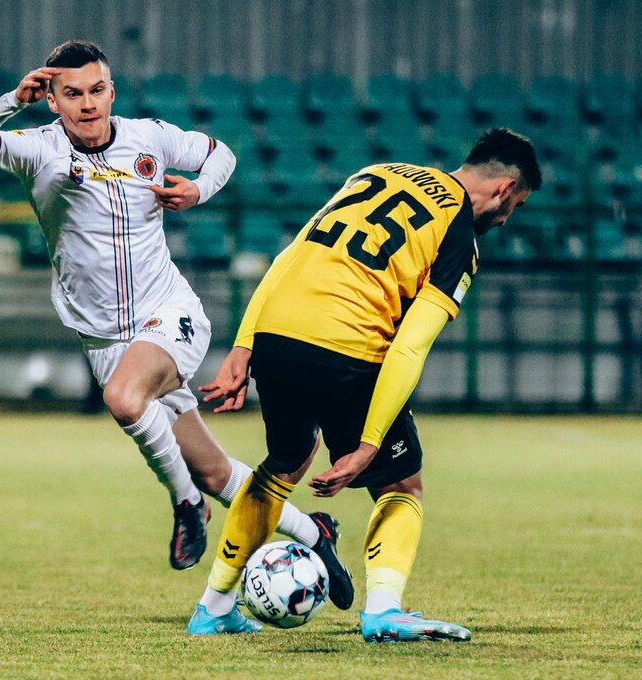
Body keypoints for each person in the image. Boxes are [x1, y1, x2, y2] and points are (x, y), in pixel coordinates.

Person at [0, 40, 353, 608]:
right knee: (215, 471)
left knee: (122, 398)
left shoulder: (150, 138)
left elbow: (220, 154)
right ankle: (314, 533)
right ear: (52, 100)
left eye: (96, 90)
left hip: (169, 313)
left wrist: (198, 188)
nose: (88, 103)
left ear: (111, 91)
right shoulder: (37, 150)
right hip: (104, 338)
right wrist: (13, 101)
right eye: (72, 94)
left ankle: (186, 505)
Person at [187, 128, 542, 639]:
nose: (508, 219)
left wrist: (244, 345)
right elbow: (409, 347)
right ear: (505, 189)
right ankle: (383, 611)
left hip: (276, 337)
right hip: (347, 345)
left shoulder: (376, 174)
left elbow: (289, 257)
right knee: (401, 486)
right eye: (517, 206)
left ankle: (214, 608)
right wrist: (369, 445)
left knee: (283, 465)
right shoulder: (458, 234)